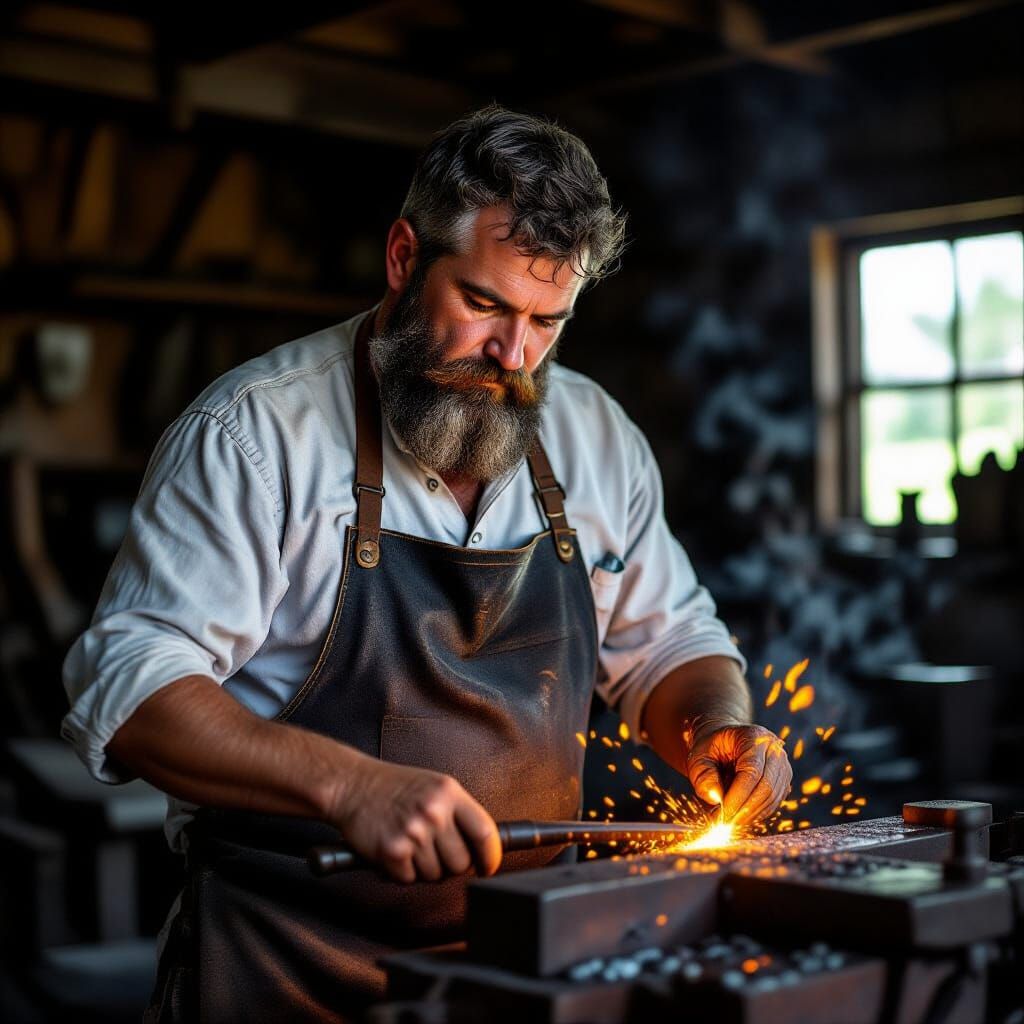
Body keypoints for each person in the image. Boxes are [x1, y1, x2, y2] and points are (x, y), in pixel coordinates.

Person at [62, 104, 792, 1023]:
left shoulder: (595, 436)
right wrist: (347, 783)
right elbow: (129, 689)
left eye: (547, 320)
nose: (514, 356)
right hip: (280, 969)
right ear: (405, 257)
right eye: (483, 304)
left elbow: (672, 645)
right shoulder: (254, 434)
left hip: (523, 977)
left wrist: (716, 730)